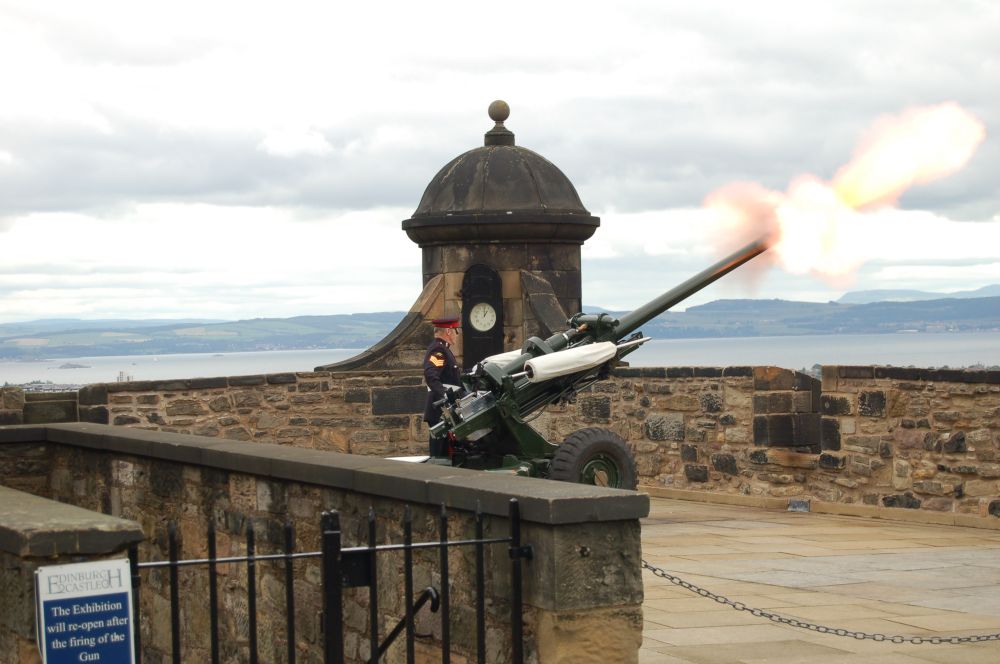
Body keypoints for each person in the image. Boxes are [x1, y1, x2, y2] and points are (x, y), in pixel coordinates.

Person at [423, 317, 461, 457]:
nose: (457, 335)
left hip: (445, 411)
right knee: (439, 454)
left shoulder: (444, 349)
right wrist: (444, 395)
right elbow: (431, 374)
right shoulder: (439, 350)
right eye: (456, 331)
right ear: (449, 331)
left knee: (446, 451)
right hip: (440, 411)